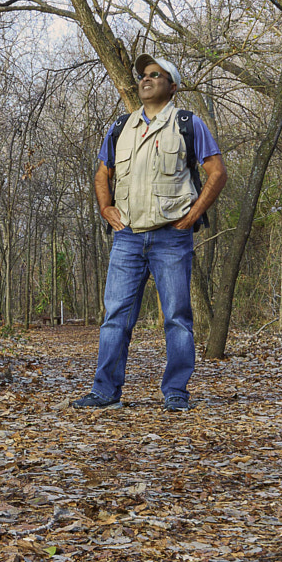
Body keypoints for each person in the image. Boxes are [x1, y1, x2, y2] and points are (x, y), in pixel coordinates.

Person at [72, 55, 226, 410]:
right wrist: (105, 208)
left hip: (171, 237)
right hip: (127, 237)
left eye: (156, 75)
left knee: (176, 316)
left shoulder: (188, 124)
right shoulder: (121, 126)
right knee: (115, 318)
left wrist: (192, 216)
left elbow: (217, 172)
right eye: (143, 75)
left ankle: (175, 393)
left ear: (172, 86)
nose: (146, 79)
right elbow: (102, 174)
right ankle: (105, 392)